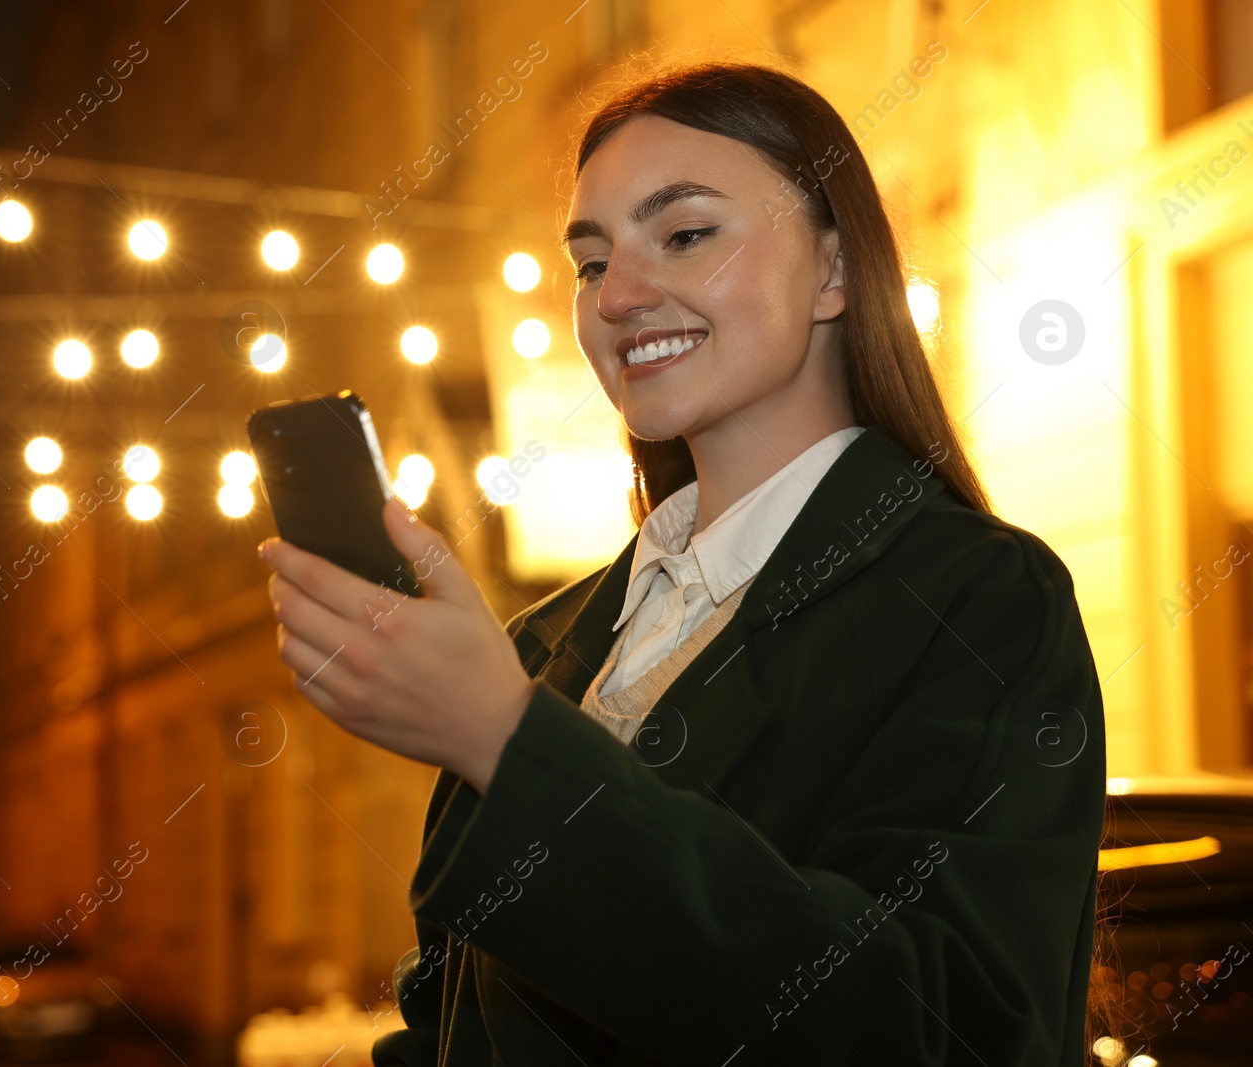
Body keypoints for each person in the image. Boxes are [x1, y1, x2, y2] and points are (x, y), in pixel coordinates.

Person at [258, 60, 1108, 1066]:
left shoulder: (980, 598)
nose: (616, 295)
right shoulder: (543, 643)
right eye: (588, 261)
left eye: (685, 233)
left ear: (833, 271)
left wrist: (508, 740)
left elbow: (935, 1030)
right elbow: (454, 1021)